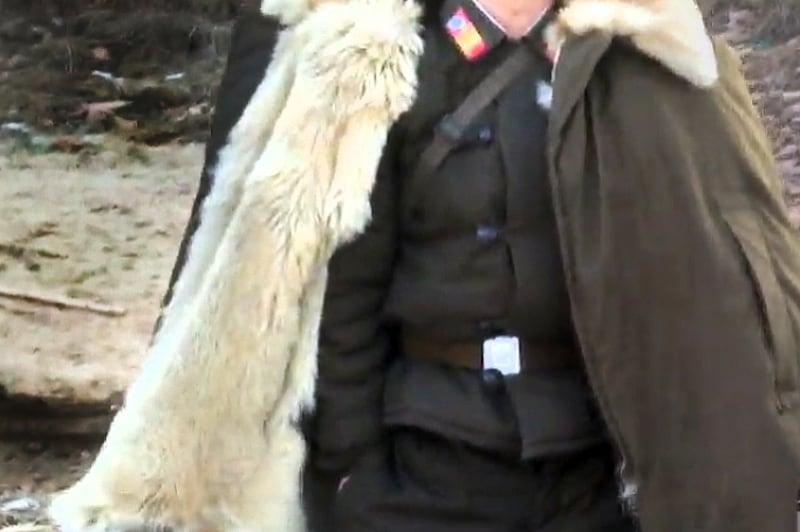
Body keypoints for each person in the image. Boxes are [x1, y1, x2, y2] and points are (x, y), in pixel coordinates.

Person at [158, 0, 800, 530]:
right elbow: (338, 285)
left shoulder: (637, 49)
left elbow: (726, 271)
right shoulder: (384, 56)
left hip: (596, 472)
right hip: (425, 461)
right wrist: (354, 464)